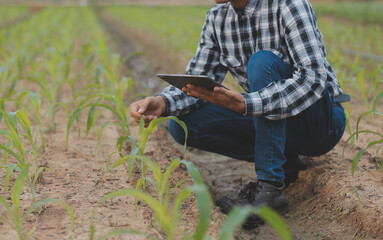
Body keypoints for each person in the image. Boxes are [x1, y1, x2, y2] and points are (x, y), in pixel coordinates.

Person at [130, 0, 346, 229]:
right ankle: (286, 163)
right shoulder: (217, 18)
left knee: (262, 62)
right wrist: (162, 102)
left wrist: (248, 103)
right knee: (184, 125)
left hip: (320, 124)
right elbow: (198, 80)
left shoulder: (289, 5)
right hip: (279, 121)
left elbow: (312, 80)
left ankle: (270, 187)